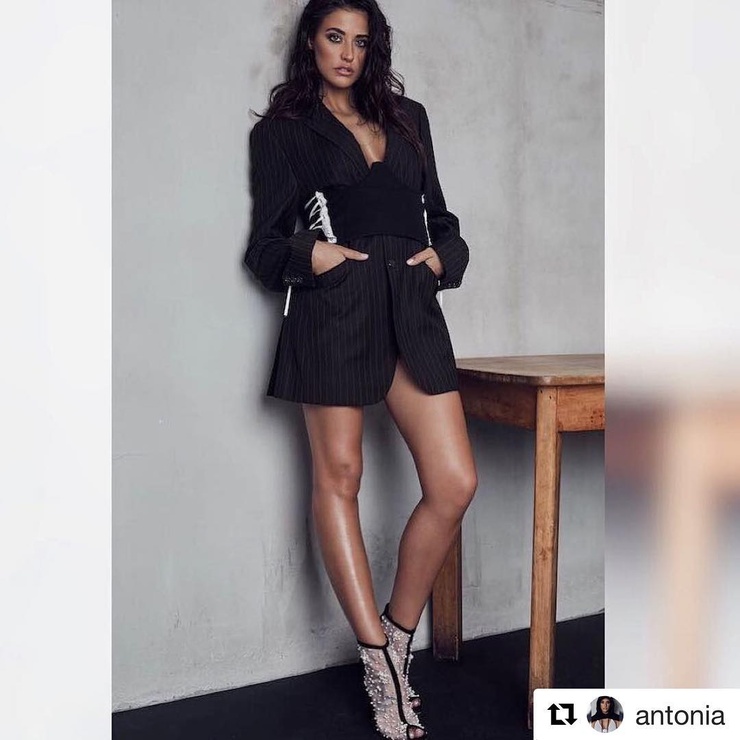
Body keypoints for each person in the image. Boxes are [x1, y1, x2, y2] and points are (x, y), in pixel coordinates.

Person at [244, 1, 477, 737]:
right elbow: (264, 246)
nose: (346, 53)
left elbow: (442, 219)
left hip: (410, 307)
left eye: (360, 41)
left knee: (454, 482)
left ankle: (398, 639)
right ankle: (378, 665)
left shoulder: (409, 119)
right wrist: (311, 255)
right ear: (311, 43)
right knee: (340, 477)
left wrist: (443, 259)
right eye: (334, 37)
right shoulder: (282, 133)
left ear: (374, 50)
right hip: (334, 310)